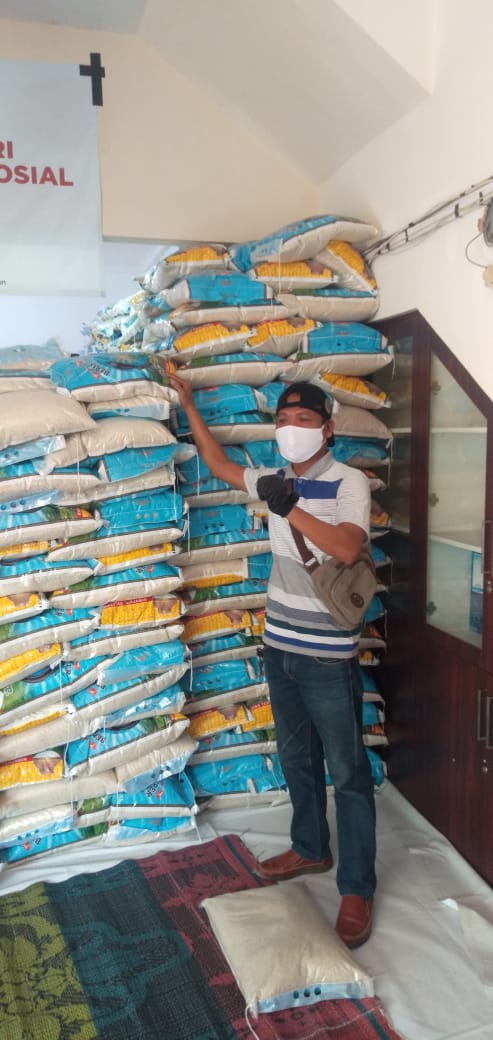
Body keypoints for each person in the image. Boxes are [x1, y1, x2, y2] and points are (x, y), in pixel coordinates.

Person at [169, 374, 376, 948]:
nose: (291, 428)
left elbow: (347, 546)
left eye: (303, 420)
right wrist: (188, 403)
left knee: (348, 772)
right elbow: (218, 464)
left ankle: (357, 887)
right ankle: (310, 847)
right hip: (280, 642)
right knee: (296, 757)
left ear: (326, 429)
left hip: (328, 653)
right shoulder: (272, 477)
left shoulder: (349, 480)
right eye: (283, 420)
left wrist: (289, 506)